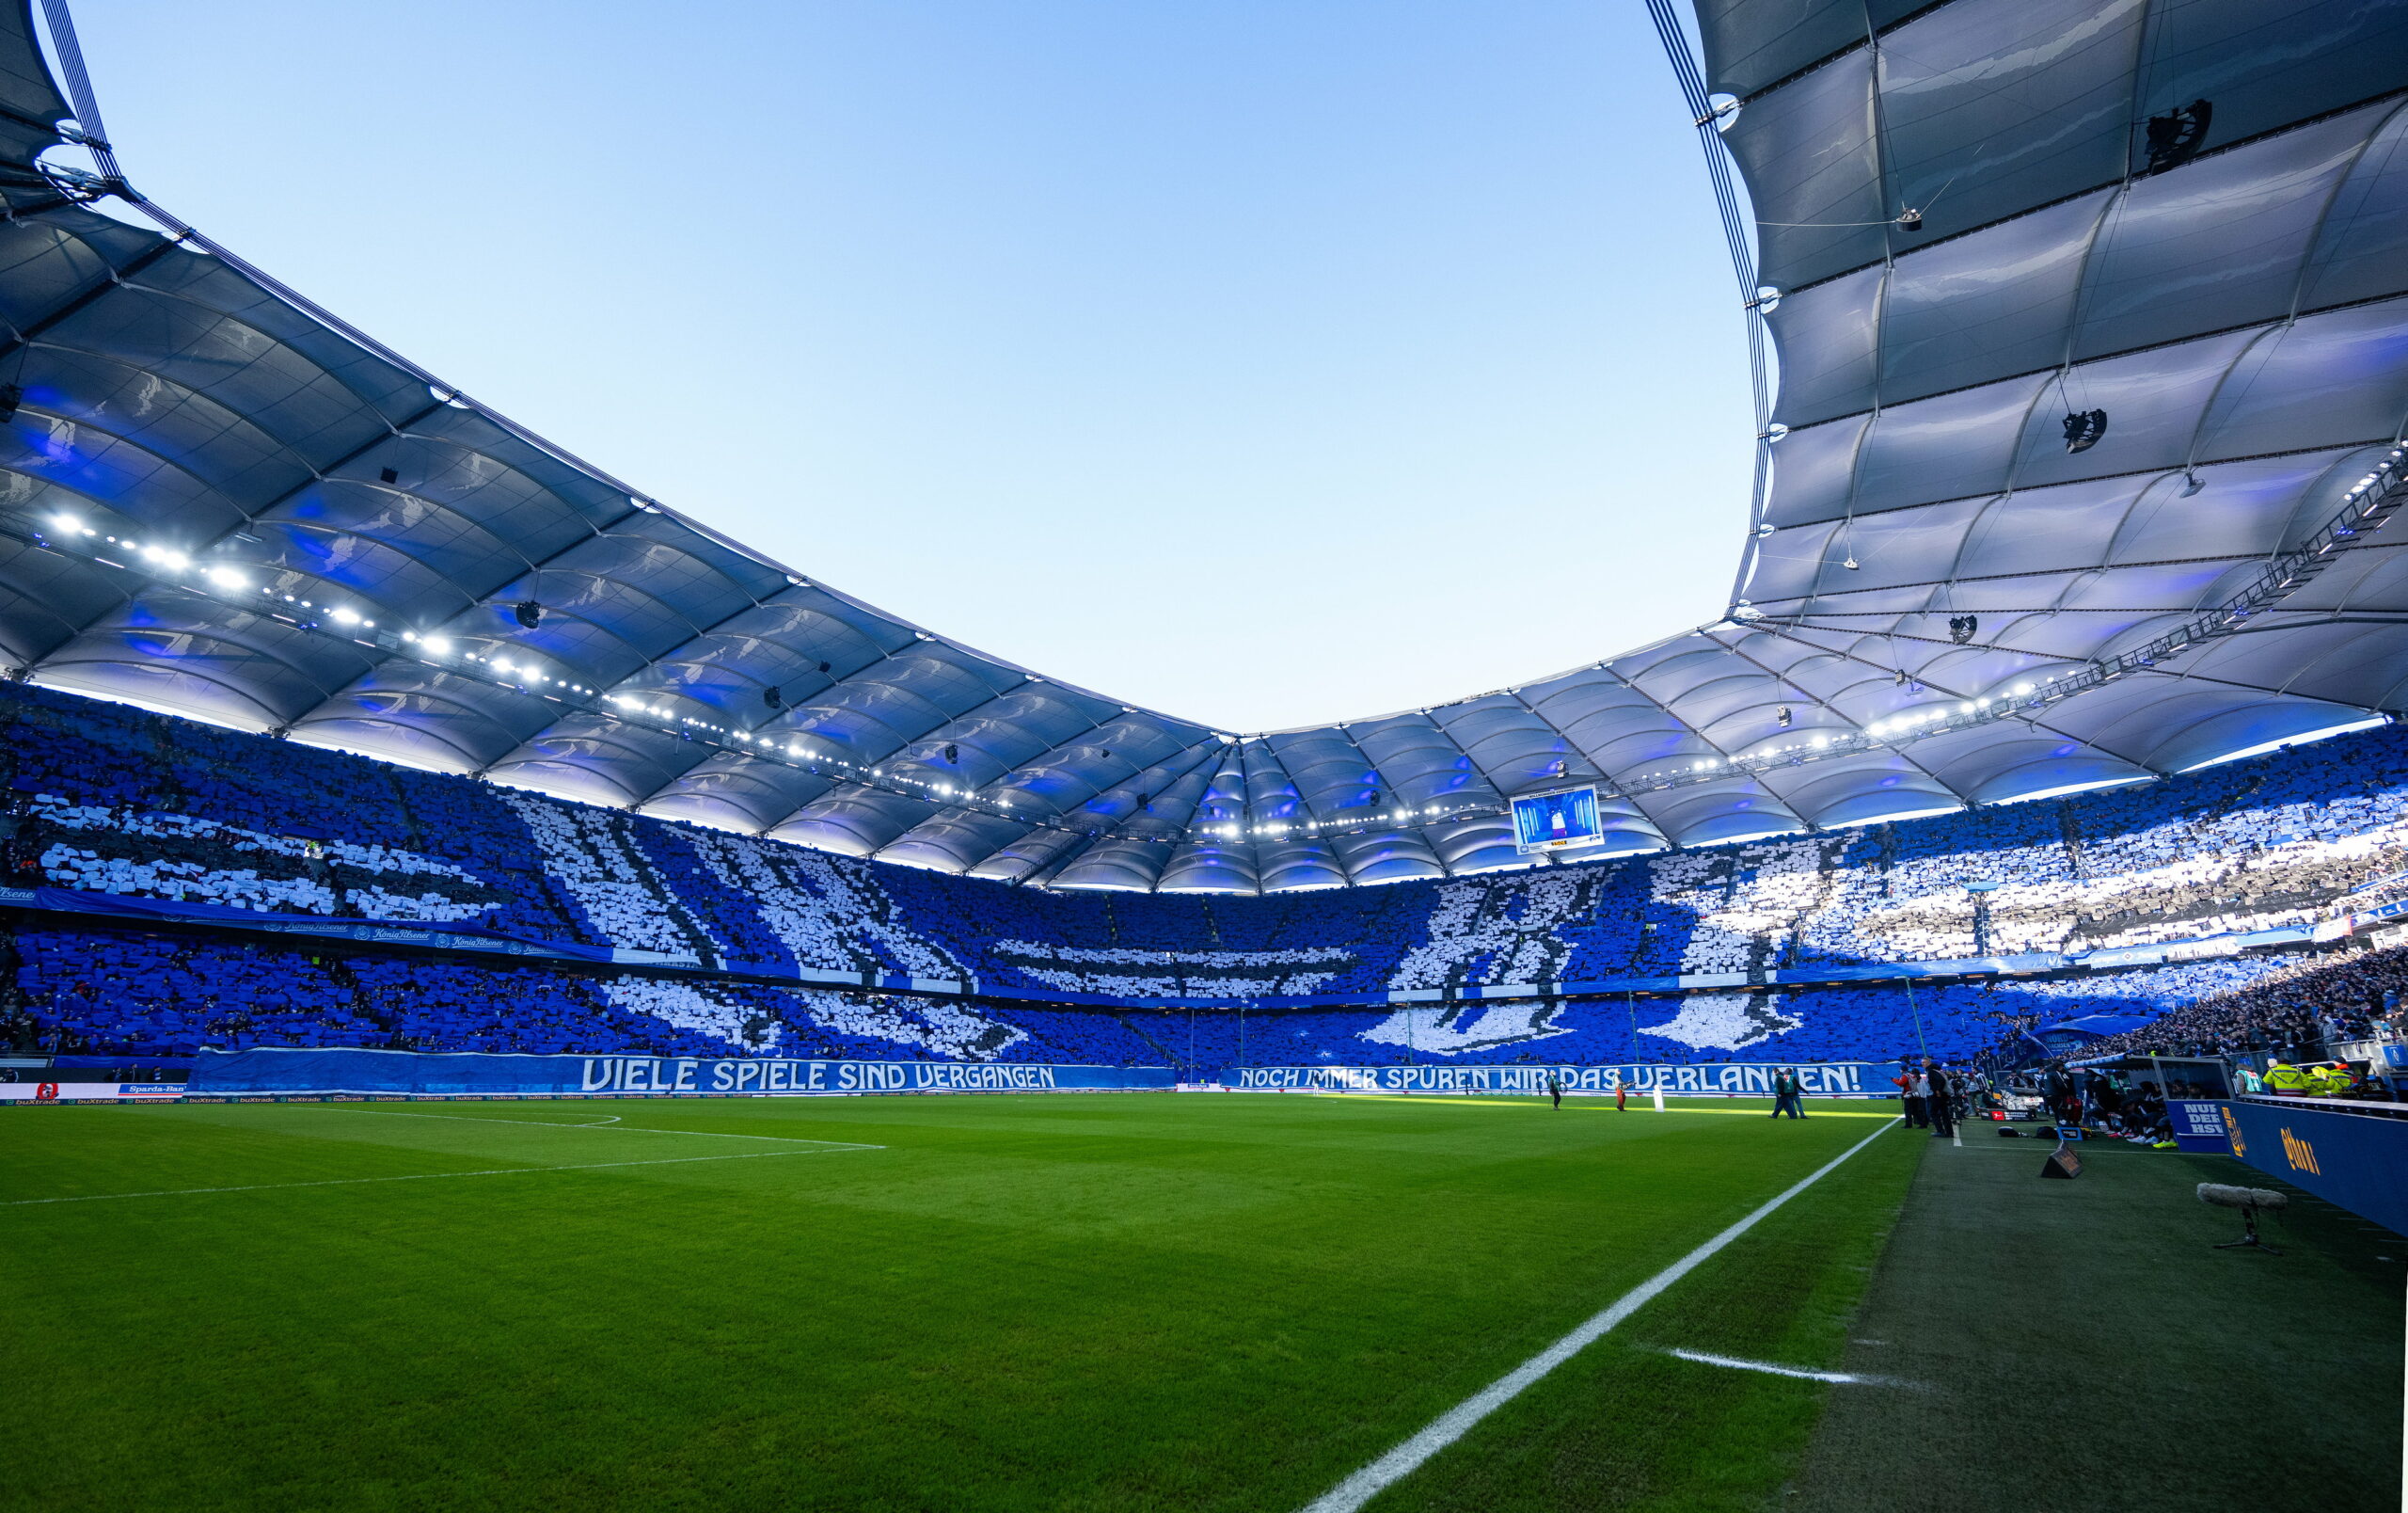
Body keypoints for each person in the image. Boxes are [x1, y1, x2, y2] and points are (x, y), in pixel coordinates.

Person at [1925, 1059, 1955, 1139]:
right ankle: (1949, 1132)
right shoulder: (1939, 1071)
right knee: (1945, 1114)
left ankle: (1940, 1131)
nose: (1923, 1064)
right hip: (1944, 1094)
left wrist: (1937, 1090)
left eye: (1925, 1063)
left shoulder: (1932, 1071)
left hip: (1938, 1095)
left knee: (1933, 1112)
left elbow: (1940, 1081)